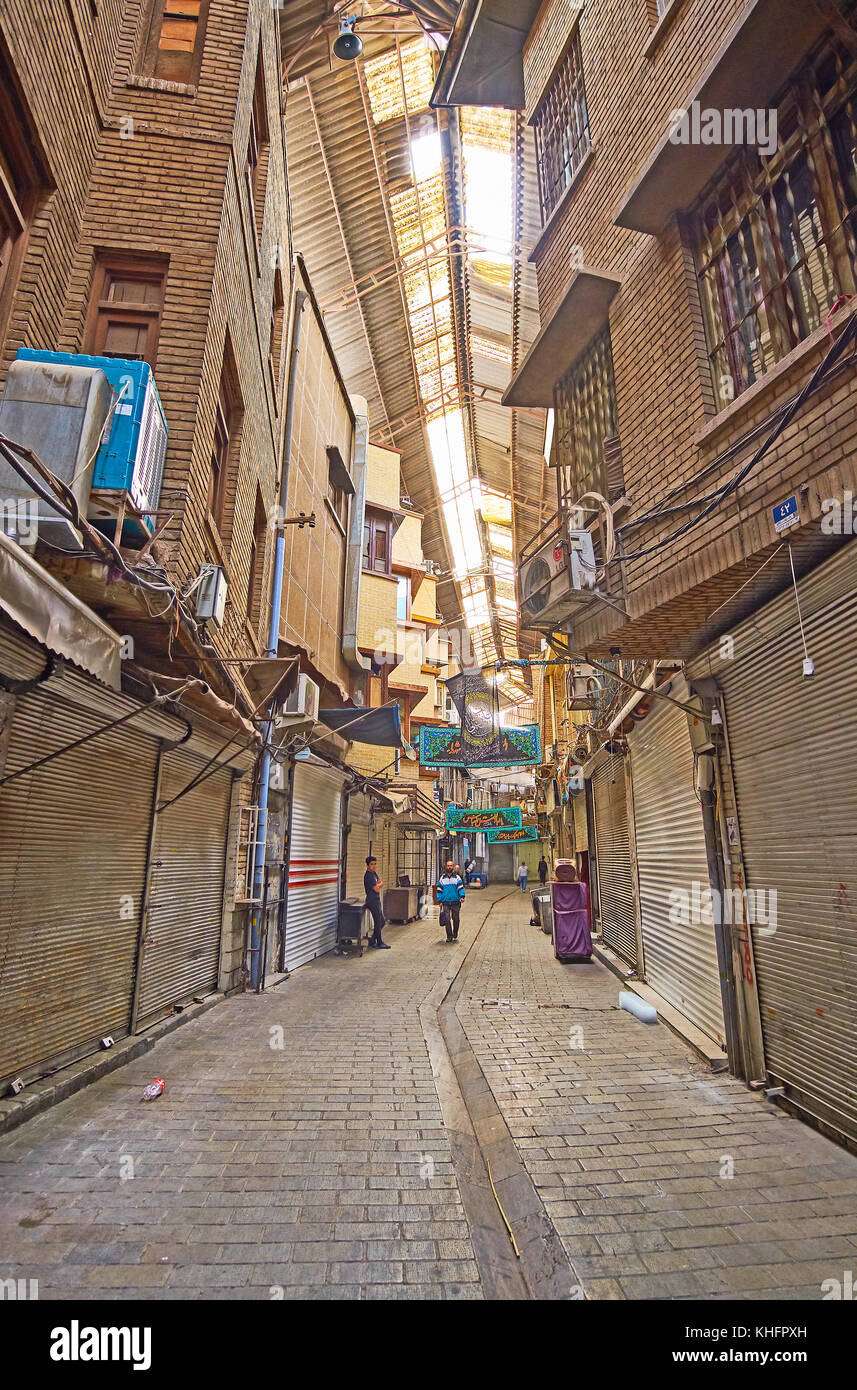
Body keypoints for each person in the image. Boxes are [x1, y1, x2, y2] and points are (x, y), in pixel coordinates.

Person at [364, 855, 390, 949]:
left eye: (375, 864)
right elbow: (376, 889)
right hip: (372, 901)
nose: (374, 866)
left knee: (382, 922)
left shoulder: (374, 874)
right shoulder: (368, 876)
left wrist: (379, 884)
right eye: (371, 864)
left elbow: (380, 883)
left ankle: (372, 940)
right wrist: (379, 885)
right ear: (367, 866)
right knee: (378, 921)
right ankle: (379, 942)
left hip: (376, 900)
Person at [437, 860, 466, 942]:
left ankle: (455, 932)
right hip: (445, 902)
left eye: (451, 866)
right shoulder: (442, 878)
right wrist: (439, 901)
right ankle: (449, 936)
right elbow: (439, 890)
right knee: (447, 919)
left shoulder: (457, 878)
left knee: (456, 919)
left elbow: (461, 888)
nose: (449, 867)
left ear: (452, 867)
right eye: (448, 866)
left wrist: (462, 896)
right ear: (446, 867)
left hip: (456, 902)